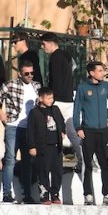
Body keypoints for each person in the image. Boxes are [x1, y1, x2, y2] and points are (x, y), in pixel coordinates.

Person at [0, 63, 41, 204]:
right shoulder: (10, 84)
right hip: (13, 126)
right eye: (27, 73)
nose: (30, 76)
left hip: (29, 129)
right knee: (10, 160)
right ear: (19, 74)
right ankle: (7, 194)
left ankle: (27, 195)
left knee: (28, 162)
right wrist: (1, 113)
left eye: (32, 73)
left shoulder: (36, 86)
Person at [73, 61, 108, 206]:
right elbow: (76, 109)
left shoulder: (106, 86)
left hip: (103, 132)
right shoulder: (83, 87)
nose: (103, 73)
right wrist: (78, 127)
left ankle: (107, 195)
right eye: (100, 71)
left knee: (105, 164)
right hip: (88, 132)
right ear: (92, 73)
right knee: (88, 165)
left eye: (103, 70)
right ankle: (88, 195)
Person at [41, 33, 81, 180]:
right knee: (72, 132)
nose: (42, 47)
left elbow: (55, 80)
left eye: (44, 44)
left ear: (50, 43)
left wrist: (51, 99)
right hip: (69, 99)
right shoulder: (66, 55)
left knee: (54, 133)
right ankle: (83, 160)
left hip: (58, 100)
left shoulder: (55, 58)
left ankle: (54, 163)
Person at [27, 87, 66, 204]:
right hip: (43, 147)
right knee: (43, 171)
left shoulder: (55, 109)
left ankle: (55, 194)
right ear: (40, 98)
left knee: (57, 171)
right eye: (48, 98)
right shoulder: (34, 112)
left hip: (56, 146)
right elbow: (30, 131)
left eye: (52, 98)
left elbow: (61, 122)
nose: (51, 100)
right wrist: (32, 146)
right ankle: (44, 195)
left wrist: (62, 131)